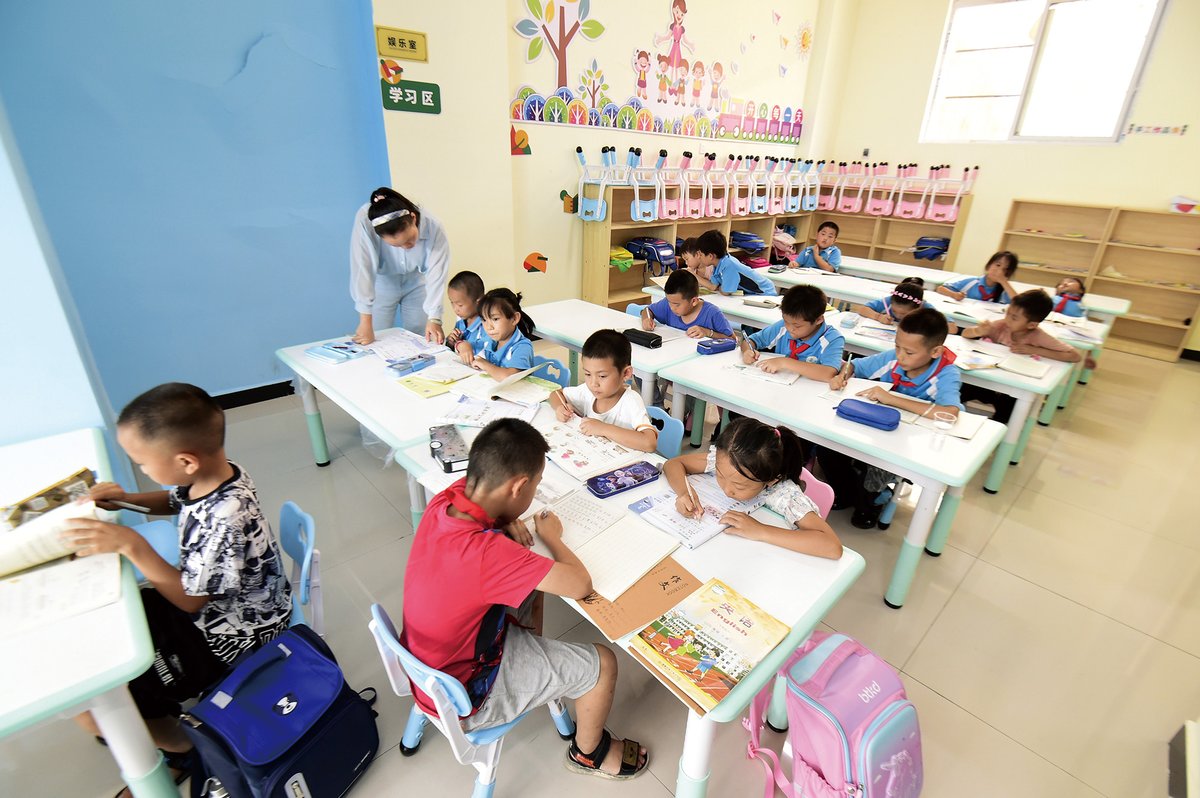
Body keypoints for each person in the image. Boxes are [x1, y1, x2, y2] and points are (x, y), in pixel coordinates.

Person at [65, 383, 292, 791]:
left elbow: (190, 602)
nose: (141, 469)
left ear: (186, 461)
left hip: (236, 637)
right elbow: (175, 500)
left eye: (142, 463)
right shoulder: (218, 473)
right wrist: (127, 501)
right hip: (223, 609)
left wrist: (131, 545)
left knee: (109, 691)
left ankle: (183, 747)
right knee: (128, 614)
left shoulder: (225, 516)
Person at [399, 419, 649, 780]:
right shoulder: (487, 555)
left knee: (530, 587)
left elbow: (490, 525)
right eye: (536, 485)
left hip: (428, 666)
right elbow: (580, 584)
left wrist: (502, 519)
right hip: (468, 693)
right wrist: (552, 536)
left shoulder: (446, 501)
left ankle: (537, 664)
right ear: (518, 486)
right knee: (604, 663)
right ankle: (589, 753)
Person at [820, 308, 963, 528]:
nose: (900, 356)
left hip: (912, 443)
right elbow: (854, 366)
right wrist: (842, 376)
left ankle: (874, 499)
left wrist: (891, 399)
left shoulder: (947, 373)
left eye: (909, 352)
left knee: (873, 481)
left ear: (935, 351)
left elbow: (950, 413)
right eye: (897, 346)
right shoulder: (894, 358)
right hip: (877, 427)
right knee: (827, 446)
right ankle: (847, 492)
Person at [662, 418, 843, 559]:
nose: (727, 489)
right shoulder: (727, 461)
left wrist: (761, 531)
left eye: (739, 486)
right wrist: (686, 493)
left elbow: (832, 546)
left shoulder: (785, 495)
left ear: (771, 480)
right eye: (719, 474)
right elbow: (674, 464)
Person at [958, 289, 1082, 424]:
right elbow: (965, 334)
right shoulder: (1001, 325)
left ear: (1032, 324)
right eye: (1008, 313)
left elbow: (1074, 356)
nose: (1007, 319)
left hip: (1012, 386)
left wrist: (1033, 349)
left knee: (1009, 411)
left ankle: (998, 431)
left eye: (1014, 317)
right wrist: (978, 331)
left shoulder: (1038, 336)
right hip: (987, 378)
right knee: (958, 389)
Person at [349, 187, 450, 345]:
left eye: (410, 239)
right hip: (383, 281)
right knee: (375, 333)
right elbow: (363, 268)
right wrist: (365, 319)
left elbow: (437, 273)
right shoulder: (364, 220)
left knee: (421, 333)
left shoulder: (433, 226)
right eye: (397, 245)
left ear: (413, 218)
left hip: (416, 279)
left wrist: (435, 318)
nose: (407, 247)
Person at [550, 330, 659, 453]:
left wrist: (603, 428)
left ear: (626, 373)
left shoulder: (631, 401)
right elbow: (556, 394)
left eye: (602, 376)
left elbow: (649, 443)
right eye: (587, 374)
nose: (593, 383)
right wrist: (560, 407)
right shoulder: (587, 391)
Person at [738, 284, 844, 380]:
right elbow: (751, 340)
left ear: (818, 320)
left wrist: (785, 362)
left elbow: (829, 373)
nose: (789, 328)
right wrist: (747, 351)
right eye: (786, 321)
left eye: (797, 326)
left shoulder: (832, 339)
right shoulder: (783, 326)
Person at [640, 268, 734, 339]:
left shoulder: (712, 313)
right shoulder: (668, 304)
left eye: (677, 304)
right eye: (669, 302)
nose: (672, 308)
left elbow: (733, 339)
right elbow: (648, 310)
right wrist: (646, 319)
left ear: (694, 301)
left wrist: (708, 333)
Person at [690, 230, 777, 296]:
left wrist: (720, 287)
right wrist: (694, 275)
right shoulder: (718, 264)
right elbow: (713, 286)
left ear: (710, 256)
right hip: (751, 295)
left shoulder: (729, 265)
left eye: (700, 254)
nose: (698, 257)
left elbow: (726, 292)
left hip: (765, 294)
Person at [474, 288, 536, 379]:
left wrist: (485, 364)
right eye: (484, 320)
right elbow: (471, 348)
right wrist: (461, 345)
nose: (488, 327)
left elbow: (508, 377)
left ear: (514, 319)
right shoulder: (490, 340)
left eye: (495, 319)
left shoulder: (522, 347)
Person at [936, 251, 1018, 303]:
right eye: (998, 265)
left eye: (1005, 269)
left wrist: (1004, 282)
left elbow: (1019, 304)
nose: (999, 271)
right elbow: (940, 288)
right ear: (988, 266)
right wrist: (954, 294)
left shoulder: (1005, 291)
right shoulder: (972, 282)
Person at [444, 270, 490, 364]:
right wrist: (451, 342)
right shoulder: (461, 322)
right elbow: (454, 350)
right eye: (452, 303)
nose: (455, 309)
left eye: (460, 305)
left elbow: (487, 355)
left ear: (479, 301)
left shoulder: (487, 324)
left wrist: (462, 345)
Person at [856, 277, 935, 324]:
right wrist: (879, 317)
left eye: (904, 313)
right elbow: (862, 309)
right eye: (894, 311)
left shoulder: (926, 309)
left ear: (918, 307)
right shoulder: (889, 301)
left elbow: (946, 326)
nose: (898, 316)